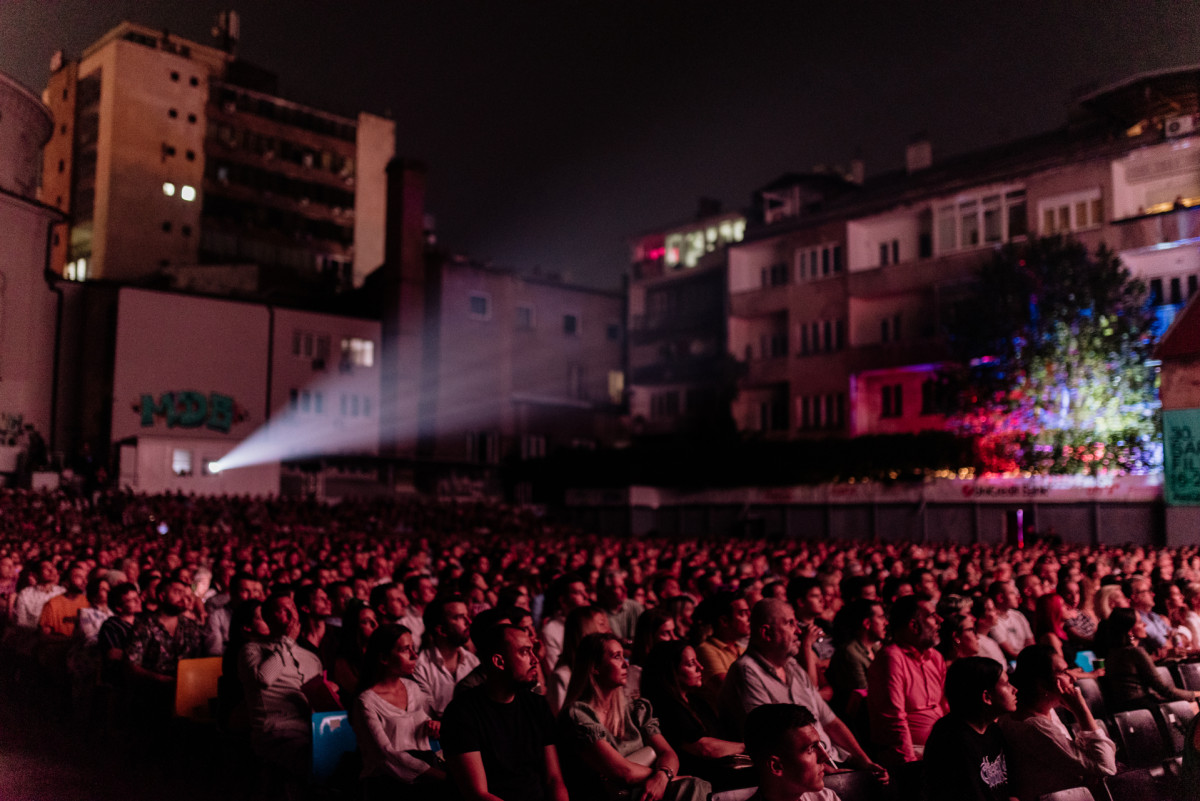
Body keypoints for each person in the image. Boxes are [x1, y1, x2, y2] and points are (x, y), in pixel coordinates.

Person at [719, 599, 885, 780]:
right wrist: (830, 774)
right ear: (766, 633)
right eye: (790, 623)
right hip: (797, 776)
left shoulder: (792, 666)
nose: (799, 630)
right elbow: (772, 740)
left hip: (833, 761)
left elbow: (830, 721)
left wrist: (863, 761)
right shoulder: (746, 672)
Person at [556, 632, 709, 801]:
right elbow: (624, 772)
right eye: (617, 657)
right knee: (692, 785)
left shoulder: (635, 709)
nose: (626, 664)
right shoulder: (578, 715)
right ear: (595, 667)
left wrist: (663, 777)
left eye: (624, 656)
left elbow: (668, 753)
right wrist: (664, 776)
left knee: (696, 785)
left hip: (644, 792)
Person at [442, 624, 569, 801]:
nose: (535, 659)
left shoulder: (537, 705)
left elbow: (554, 779)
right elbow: (477, 794)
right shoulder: (461, 713)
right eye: (525, 652)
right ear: (499, 662)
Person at [997, 645, 1117, 801]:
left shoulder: (1046, 710)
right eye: (1062, 672)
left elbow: (1095, 763)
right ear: (1041, 682)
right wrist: (1081, 711)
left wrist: (1089, 772)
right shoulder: (1032, 726)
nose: (1072, 678)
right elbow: (1106, 767)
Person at [351, 623, 445, 800]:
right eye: (405, 649)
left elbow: (430, 721)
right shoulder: (366, 701)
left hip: (426, 774)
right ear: (384, 658)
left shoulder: (413, 688)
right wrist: (440, 775)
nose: (414, 656)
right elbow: (386, 756)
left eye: (413, 648)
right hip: (387, 781)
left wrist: (434, 725)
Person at [640, 640, 747, 789]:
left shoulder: (695, 701)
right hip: (700, 782)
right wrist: (747, 747)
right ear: (671, 671)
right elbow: (704, 748)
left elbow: (721, 737)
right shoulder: (664, 707)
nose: (700, 667)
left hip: (720, 773)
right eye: (691, 664)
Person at [239, 594, 326, 778]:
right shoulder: (252, 650)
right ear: (268, 618)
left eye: (293, 608)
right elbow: (264, 678)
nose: (292, 615)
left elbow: (317, 703)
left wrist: (325, 692)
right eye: (282, 611)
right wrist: (287, 641)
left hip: (311, 729)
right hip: (275, 732)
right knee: (314, 761)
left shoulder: (310, 657)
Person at [865, 593, 947, 767]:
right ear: (914, 625)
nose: (940, 620)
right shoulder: (892, 658)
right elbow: (893, 718)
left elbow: (946, 706)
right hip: (910, 752)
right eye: (932, 616)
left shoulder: (935, 657)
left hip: (937, 746)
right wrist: (909, 765)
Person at [922, 656, 1017, 801]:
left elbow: (1010, 787)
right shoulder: (952, 740)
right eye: (1007, 684)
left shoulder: (992, 730)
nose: (1014, 690)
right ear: (987, 697)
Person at [1102, 607, 1198, 711]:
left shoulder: (1113, 653)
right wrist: (1195, 694)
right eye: (1139, 622)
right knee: (1193, 705)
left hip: (1129, 708)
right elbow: (1164, 690)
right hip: (1143, 708)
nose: (1145, 624)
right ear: (1130, 631)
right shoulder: (1136, 652)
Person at [124, 578, 204, 699]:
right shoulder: (144, 626)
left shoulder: (191, 626)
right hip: (151, 693)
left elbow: (200, 660)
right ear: (162, 596)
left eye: (184, 593)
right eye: (177, 593)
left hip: (188, 689)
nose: (183, 598)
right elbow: (131, 666)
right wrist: (161, 679)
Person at [742, 703, 838, 801]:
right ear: (776, 766)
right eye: (810, 749)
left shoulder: (825, 798)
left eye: (820, 744)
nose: (825, 756)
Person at [413, 594, 478, 718]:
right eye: (459, 617)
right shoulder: (420, 667)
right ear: (441, 630)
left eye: (467, 616)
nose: (469, 622)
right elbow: (429, 715)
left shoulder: (472, 661)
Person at [547, 604, 611, 715]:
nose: (609, 631)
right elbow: (560, 721)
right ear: (585, 631)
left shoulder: (603, 672)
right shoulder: (563, 678)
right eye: (602, 625)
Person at [827, 599, 886, 714]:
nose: (886, 622)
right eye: (881, 617)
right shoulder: (849, 653)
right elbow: (863, 696)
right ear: (867, 623)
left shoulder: (876, 648)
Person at [694, 592, 750, 710]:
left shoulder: (744, 649)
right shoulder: (706, 650)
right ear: (724, 621)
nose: (750, 618)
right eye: (743, 613)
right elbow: (731, 690)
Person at [540, 574, 591, 676]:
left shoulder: (591, 622)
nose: (586, 596)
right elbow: (555, 672)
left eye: (585, 591)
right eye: (578, 592)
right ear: (562, 600)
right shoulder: (551, 631)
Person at [203, 573, 264, 656]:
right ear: (232, 593)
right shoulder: (217, 616)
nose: (251, 596)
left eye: (254, 591)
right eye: (245, 591)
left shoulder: (262, 615)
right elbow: (214, 652)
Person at [97, 581, 141, 686]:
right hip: (120, 676)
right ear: (119, 607)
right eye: (132, 600)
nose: (138, 601)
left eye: (137, 597)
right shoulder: (111, 625)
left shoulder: (143, 621)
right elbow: (113, 654)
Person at [332, 603, 379, 696]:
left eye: (375, 619)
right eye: (366, 621)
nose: (375, 624)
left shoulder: (383, 652)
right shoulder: (343, 662)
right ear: (354, 626)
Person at [39, 562, 90, 639]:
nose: (84, 581)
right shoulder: (52, 604)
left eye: (85, 578)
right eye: (79, 577)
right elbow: (45, 637)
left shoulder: (88, 602)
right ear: (67, 582)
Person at [9, 559, 63, 631]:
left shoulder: (62, 592)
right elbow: (21, 623)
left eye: (53, 567)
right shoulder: (25, 594)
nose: (51, 570)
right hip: (32, 637)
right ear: (35, 575)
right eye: (46, 568)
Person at [988, 581, 1034, 661]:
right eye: (1012, 593)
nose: (1017, 596)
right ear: (1000, 598)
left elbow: (1031, 644)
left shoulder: (1018, 615)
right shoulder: (993, 621)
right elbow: (1010, 653)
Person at [1127, 576, 1170, 654]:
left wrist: (1177, 642)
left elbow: (1176, 637)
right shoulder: (1137, 621)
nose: (1153, 594)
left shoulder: (1154, 616)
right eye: (1147, 591)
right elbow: (1164, 645)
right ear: (1135, 597)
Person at [599, 570, 643, 646]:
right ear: (606, 592)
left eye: (624, 585)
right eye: (618, 587)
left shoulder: (635, 607)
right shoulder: (600, 614)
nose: (625, 589)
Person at [402, 574, 437, 649]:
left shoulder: (436, 614)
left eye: (432, 587)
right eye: (428, 588)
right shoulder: (404, 619)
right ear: (415, 594)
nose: (434, 591)